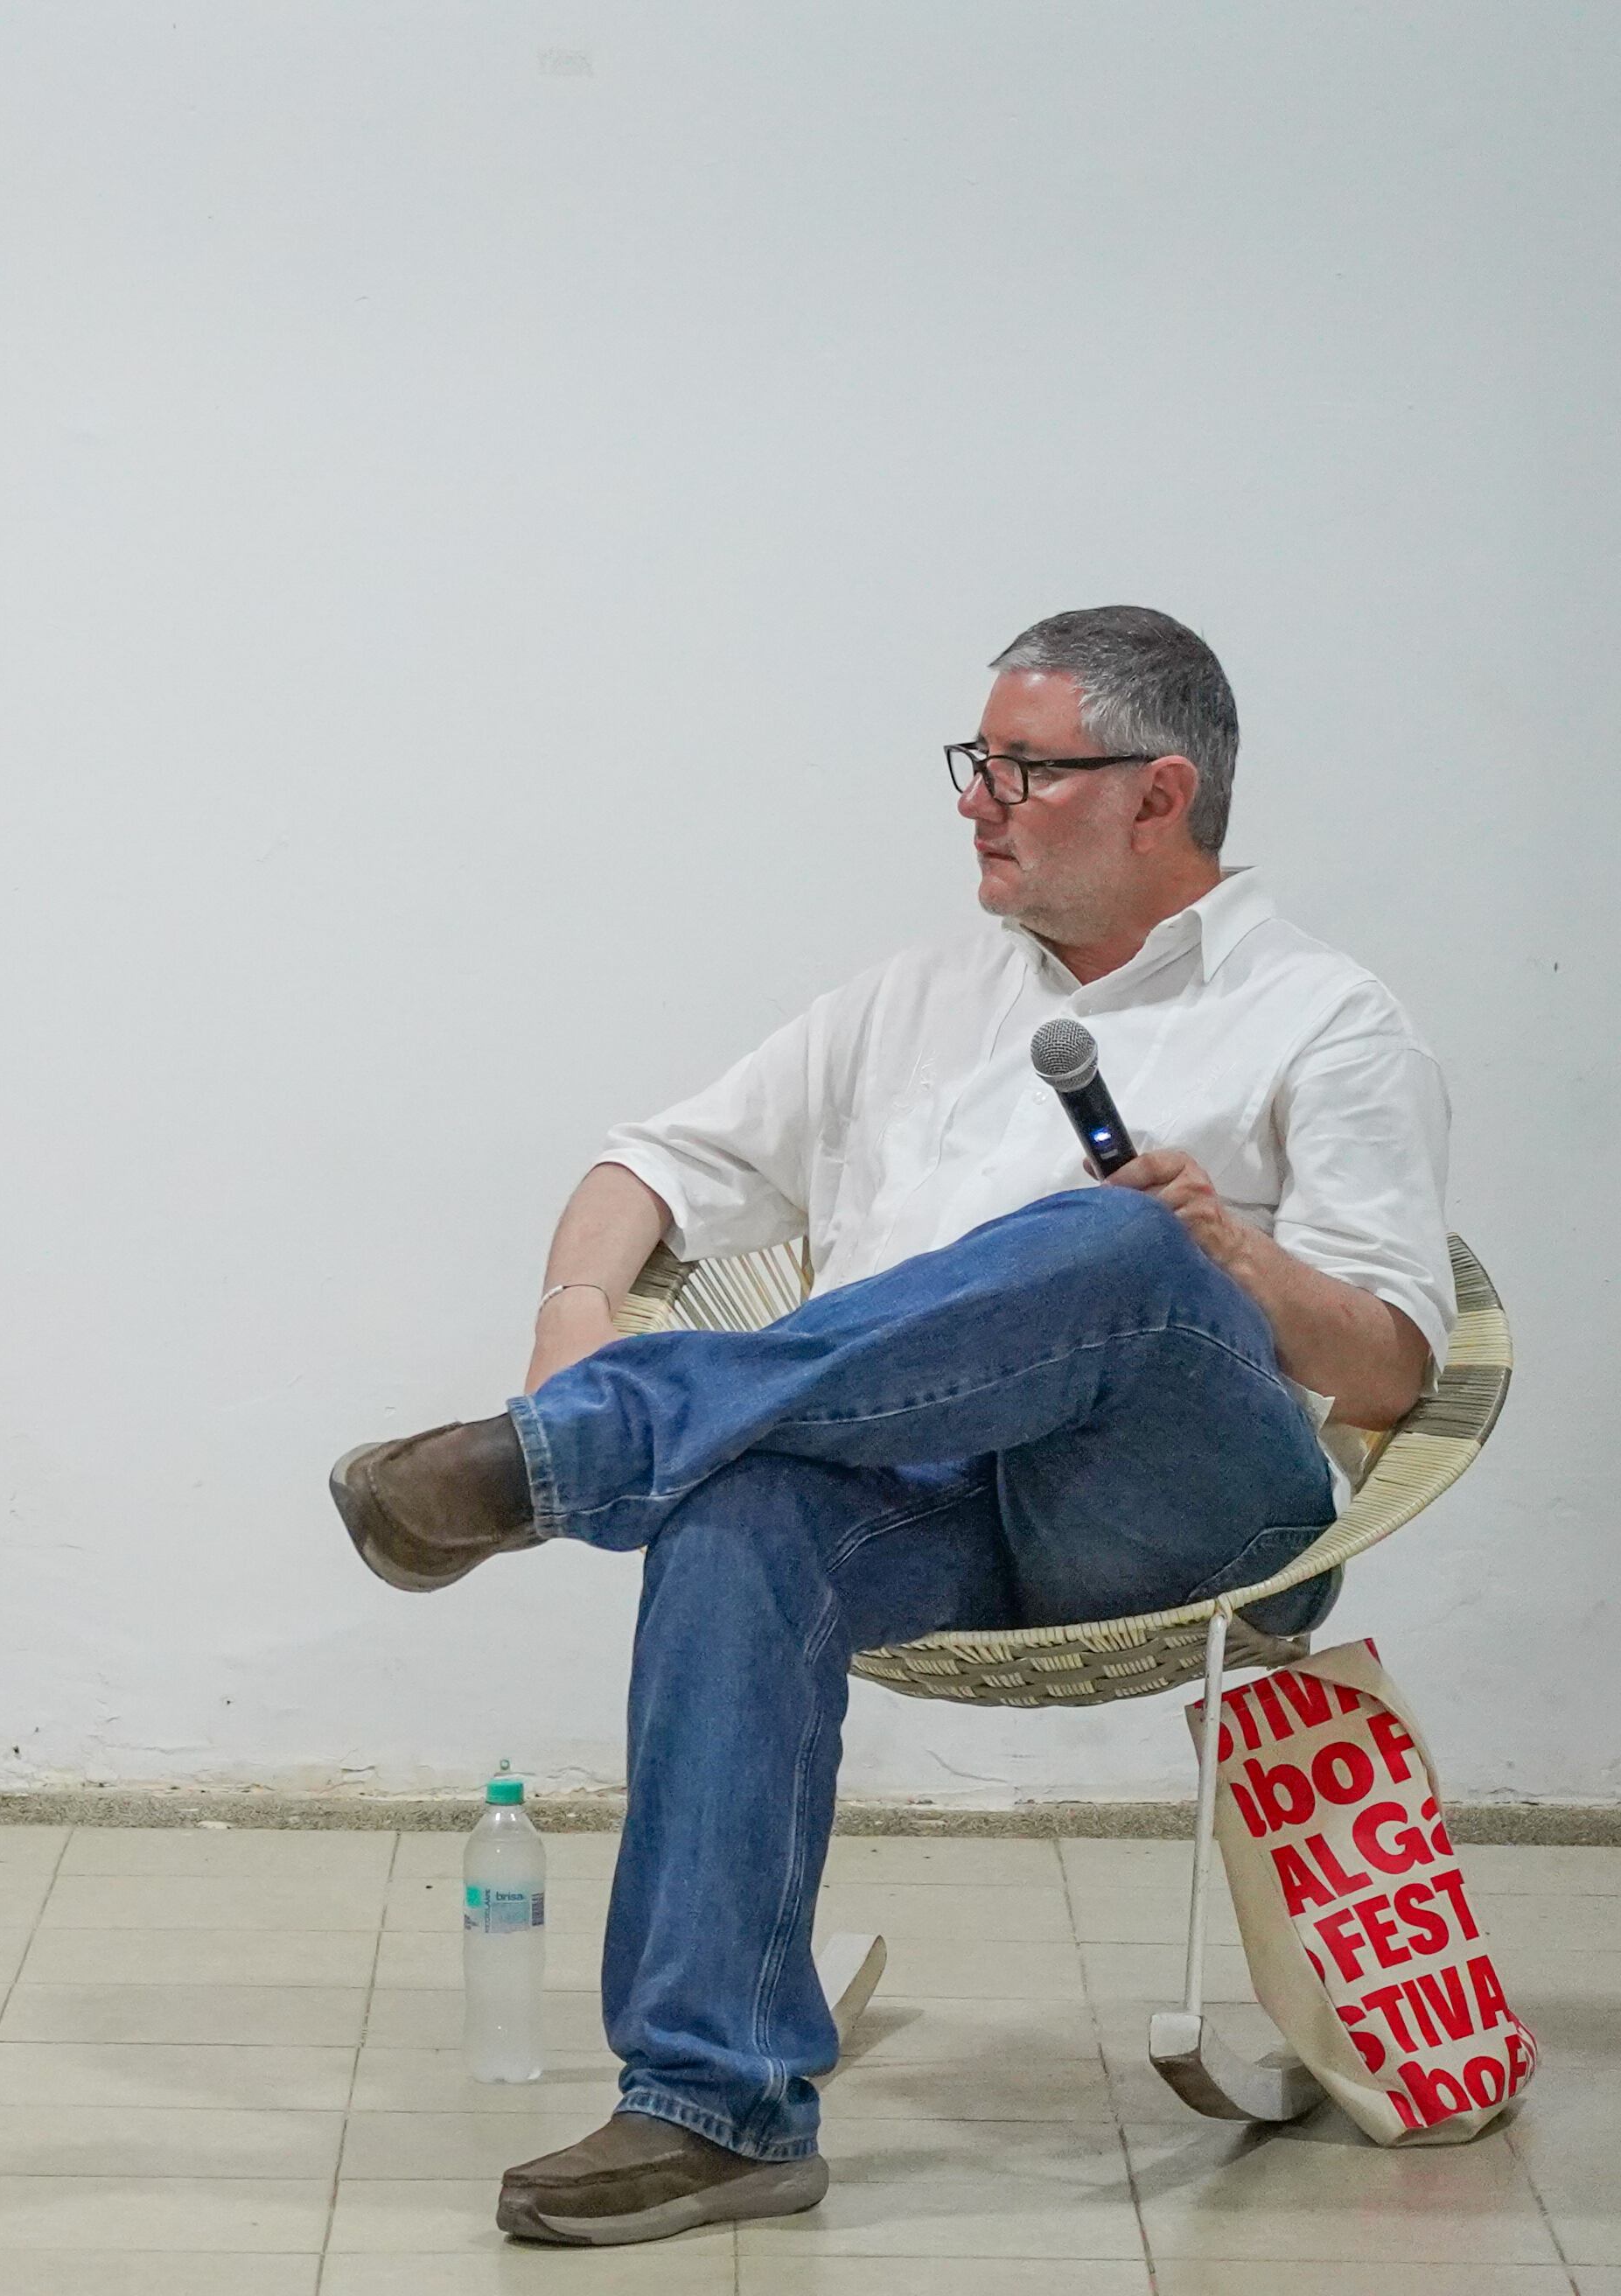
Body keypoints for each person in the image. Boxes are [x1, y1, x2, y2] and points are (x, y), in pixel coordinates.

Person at [326, 606, 1449, 2247]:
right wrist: (575, 1326)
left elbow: (1396, 1368)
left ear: (1159, 792)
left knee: (1121, 1241)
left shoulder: (1327, 1019)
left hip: (1191, 1510)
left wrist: (1227, 1251)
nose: (977, 798)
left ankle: (561, 1467)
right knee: (736, 1510)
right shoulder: (917, 997)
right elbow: (648, 1168)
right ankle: (713, 2106)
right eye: (973, 762)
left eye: (1022, 767)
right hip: (926, 1497)